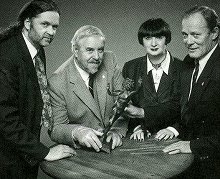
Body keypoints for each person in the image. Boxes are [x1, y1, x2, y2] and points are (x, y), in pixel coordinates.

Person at [0, 0, 75, 178]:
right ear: (27, 23)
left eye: (55, 27)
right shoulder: (5, 56)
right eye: (45, 24)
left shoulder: (37, 48)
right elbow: (4, 119)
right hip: (5, 159)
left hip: (24, 153)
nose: (51, 32)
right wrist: (44, 152)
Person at [48, 25, 127, 152]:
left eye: (100, 50)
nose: (97, 57)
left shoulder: (110, 60)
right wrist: (77, 132)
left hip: (115, 145)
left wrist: (116, 130)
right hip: (83, 151)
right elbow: (56, 128)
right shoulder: (56, 82)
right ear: (75, 50)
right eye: (90, 50)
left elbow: (124, 101)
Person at [163, 6, 220, 179]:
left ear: (214, 33)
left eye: (196, 35)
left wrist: (193, 146)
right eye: (185, 35)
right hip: (189, 161)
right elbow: (188, 108)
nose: (188, 41)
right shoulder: (189, 61)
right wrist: (174, 128)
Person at [122, 18, 182, 141]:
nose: (153, 44)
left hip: (175, 136)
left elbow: (186, 109)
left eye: (159, 37)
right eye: (148, 38)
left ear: (167, 39)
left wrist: (174, 129)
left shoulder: (184, 68)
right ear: (142, 41)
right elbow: (127, 104)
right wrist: (138, 127)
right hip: (141, 137)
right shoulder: (130, 67)